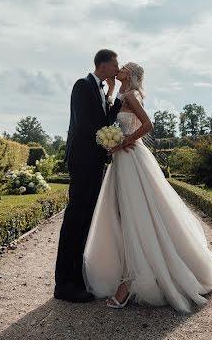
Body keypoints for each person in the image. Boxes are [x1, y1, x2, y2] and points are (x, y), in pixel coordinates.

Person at [83, 62, 212, 313]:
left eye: (124, 66)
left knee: (133, 216)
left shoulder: (130, 95)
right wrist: (110, 89)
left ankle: (128, 283)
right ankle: (129, 273)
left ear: (131, 74)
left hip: (130, 158)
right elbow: (110, 113)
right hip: (121, 161)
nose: (120, 67)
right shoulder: (121, 93)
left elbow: (148, 125)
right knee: (121, 214)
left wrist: (122, 142)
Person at [53, 49, 122, 302]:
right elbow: (84, 125)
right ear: (103, 65)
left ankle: (76, 277)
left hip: (93, 162)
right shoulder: (82, 86)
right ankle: (64, 284)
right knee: (75, 218)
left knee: (85, 219)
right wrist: (107, 142)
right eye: (115, 64)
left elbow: (105, 119)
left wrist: (113, 94)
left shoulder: (102, 90)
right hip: (82, 160)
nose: (117, 68)